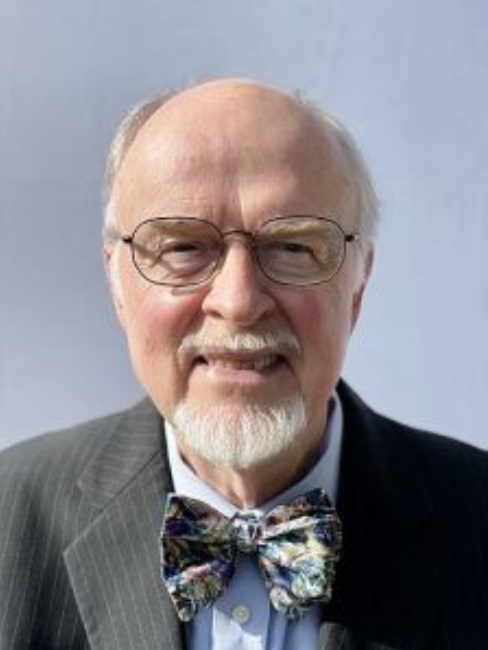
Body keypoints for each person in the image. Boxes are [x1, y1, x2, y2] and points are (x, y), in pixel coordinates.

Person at [0, 79, 487, 650]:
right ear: (117, 282)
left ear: (357, 285)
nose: (237, 301)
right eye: (183, 247)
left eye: (293, 247)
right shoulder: (9, 520)